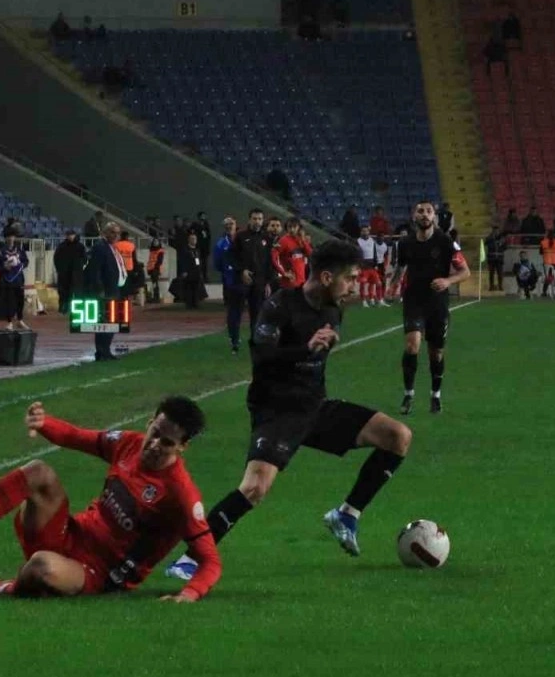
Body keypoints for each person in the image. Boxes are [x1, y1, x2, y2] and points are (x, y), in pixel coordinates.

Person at [165, 240, 413, 582]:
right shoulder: (279, 305)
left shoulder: (334, 308)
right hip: (277, 411)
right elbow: (262, 360)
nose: (354, 286)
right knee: (254, 488)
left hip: (315, 406)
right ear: (326, 277)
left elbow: (319, 349)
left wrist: (325, 345)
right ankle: (190, 558)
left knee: (397, 436)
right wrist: (304, 349)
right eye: (350, 279)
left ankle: (347, 515)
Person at [0, 396, 221, 602]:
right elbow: (76, 437)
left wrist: (189, 594)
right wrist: (44, 424)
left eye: (166, 443)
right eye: (155, 433)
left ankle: (1, 587)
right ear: (149, 422)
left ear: (182, 448)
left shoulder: (180, 493)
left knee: (41, 566)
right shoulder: (128, 444)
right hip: (73, 534)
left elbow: (211, 561)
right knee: (39, 473)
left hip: (100, 572)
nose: (154, 445)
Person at [391, 202, 471, 415]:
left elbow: (465, 272)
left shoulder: (446, 242)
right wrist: (392, 285)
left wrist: (447, 281)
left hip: (437, 303)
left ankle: (435, 395)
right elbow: (400, 266)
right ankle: (408, 394)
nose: (424, 215)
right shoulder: (405, 243)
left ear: (434, 216)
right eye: (420, 211)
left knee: (436, 353)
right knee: (412, 345)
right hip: (413, 300)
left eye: (428, 211)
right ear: (413, 215)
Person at [85, 221, 126, 361]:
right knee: (104, 323)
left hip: (114, 288)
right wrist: (99, 289)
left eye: (118, 233)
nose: (116, 235)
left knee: (112, 322)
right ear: (105, 233)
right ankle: (102, 352)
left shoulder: (111, 247)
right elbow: (95, 270)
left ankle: (105, 351)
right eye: (113, 232)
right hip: (106, 291)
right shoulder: (100, 247)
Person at [232, 208, 273, 343]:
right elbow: (232, 257)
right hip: (242, 280)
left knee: (257, 312)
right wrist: (241, 270)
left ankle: (255, 339)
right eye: (255, 219)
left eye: (260, 219)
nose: (257, 221)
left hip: (259, 281)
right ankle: (234, 339)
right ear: (249, 219)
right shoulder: (240, 236)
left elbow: (269, 261)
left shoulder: (266, 238)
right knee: (237, 311)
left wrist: (268, 282)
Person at [214, 217, 243, 354]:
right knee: (233, 311)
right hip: (230, 281)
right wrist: (228, 271)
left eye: (231, 223)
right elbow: (217, 264)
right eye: (226, 224)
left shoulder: (242, 240)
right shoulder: (220, 244)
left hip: (244, 280)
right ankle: (234, 338)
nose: (229, 226)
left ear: (236, 225)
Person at [0, 227, 29, 332]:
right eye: (8, 236)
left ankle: (20, 320)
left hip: (18, 279)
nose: (10, 238)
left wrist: (19, 264)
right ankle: (9, 322)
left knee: (20, 300)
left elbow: (26, 261)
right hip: (6, 280)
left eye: (12, 236)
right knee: (8, 301)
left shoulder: (19, 249)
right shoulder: (2, 251)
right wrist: (4, 267)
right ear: (5, 238)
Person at [356, 225, 385, 307]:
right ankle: (364, 301)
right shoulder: (358, 241)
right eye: (363, 231)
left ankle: (378, 300)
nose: (365, 232)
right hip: (363, 266)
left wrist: (376, 264)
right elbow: (357, 255)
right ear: (361, 232)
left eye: (366, 231)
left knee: (378, 283)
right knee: (363, 283)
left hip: (372, 266)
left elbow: (374, 252)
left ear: (369, 232)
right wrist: (359, 266)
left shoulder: (372, 240)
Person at [174, 232, 204, 309]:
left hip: (196, 272)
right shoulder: (185, 250)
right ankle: (189, 304)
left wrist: (200, 271)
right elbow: (182, 261)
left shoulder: (197, 250)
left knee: (196, 288)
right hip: (188, 272)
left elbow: (199, 261)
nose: (194, 240)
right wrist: (184, 271)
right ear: (189, 240)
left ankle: (195, 303)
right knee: (189, 288)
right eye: (192, 239)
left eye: (195, 239)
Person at [540, 230, 555, 300]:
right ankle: (554, 291)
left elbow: (540, 252)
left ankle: (544, 291)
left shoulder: (543, 242)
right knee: (553, 277)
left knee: (549, 277)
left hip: (547, 261)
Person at [484, 225, 507, 291]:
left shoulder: (502, 238)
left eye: (497, 231)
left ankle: (500, 286)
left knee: (500, 273)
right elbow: (486, 244)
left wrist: (502, 243)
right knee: (491, 273)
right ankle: (491, 286)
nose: (496, 232)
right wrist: (493, 241)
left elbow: (505, 247)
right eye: (495, 231)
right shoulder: (489, 238)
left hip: (499, 259)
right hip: (491, 259)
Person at [145, 238, 165, 304]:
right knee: (154, 283)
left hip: (156, 269)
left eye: (156, 241)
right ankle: (155, 297)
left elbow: (160, 261)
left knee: (155, 283)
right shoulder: (152, 250)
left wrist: (155, 269)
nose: (155, 243)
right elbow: (150, 260)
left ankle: (156, 297)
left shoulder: (160, 251)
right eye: (154, 241)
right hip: (151, 269)